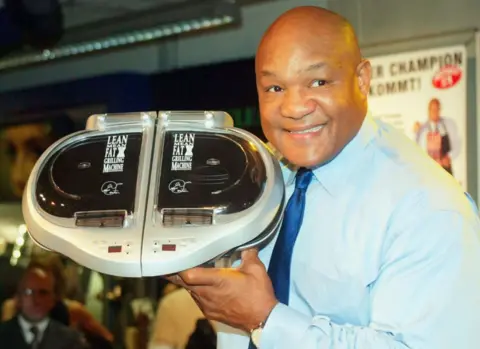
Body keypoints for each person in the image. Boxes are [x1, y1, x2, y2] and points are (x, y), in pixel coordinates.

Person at [164, 6, 480, 349]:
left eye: (318, 82)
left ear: (361, 80)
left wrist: (265, 320)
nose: (295, 107)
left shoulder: (429, 208)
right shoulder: (262, 176)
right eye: (274, 88)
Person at [0, 263, 87, 349]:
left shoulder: (71, 341)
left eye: (43, 293)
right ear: (19, 296)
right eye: (29, 292)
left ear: (53, 299)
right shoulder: (3, 334)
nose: (36, 299)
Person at [414, 98, 460, 175]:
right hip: (428, 170)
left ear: (440, 110)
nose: (435, 112)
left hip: (443, 170)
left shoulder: (447, 126)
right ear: (428, 111)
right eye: (432, 110)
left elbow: (455, 146)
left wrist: (449, 158)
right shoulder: (422, 129)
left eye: (437, 109)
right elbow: (416, 148)